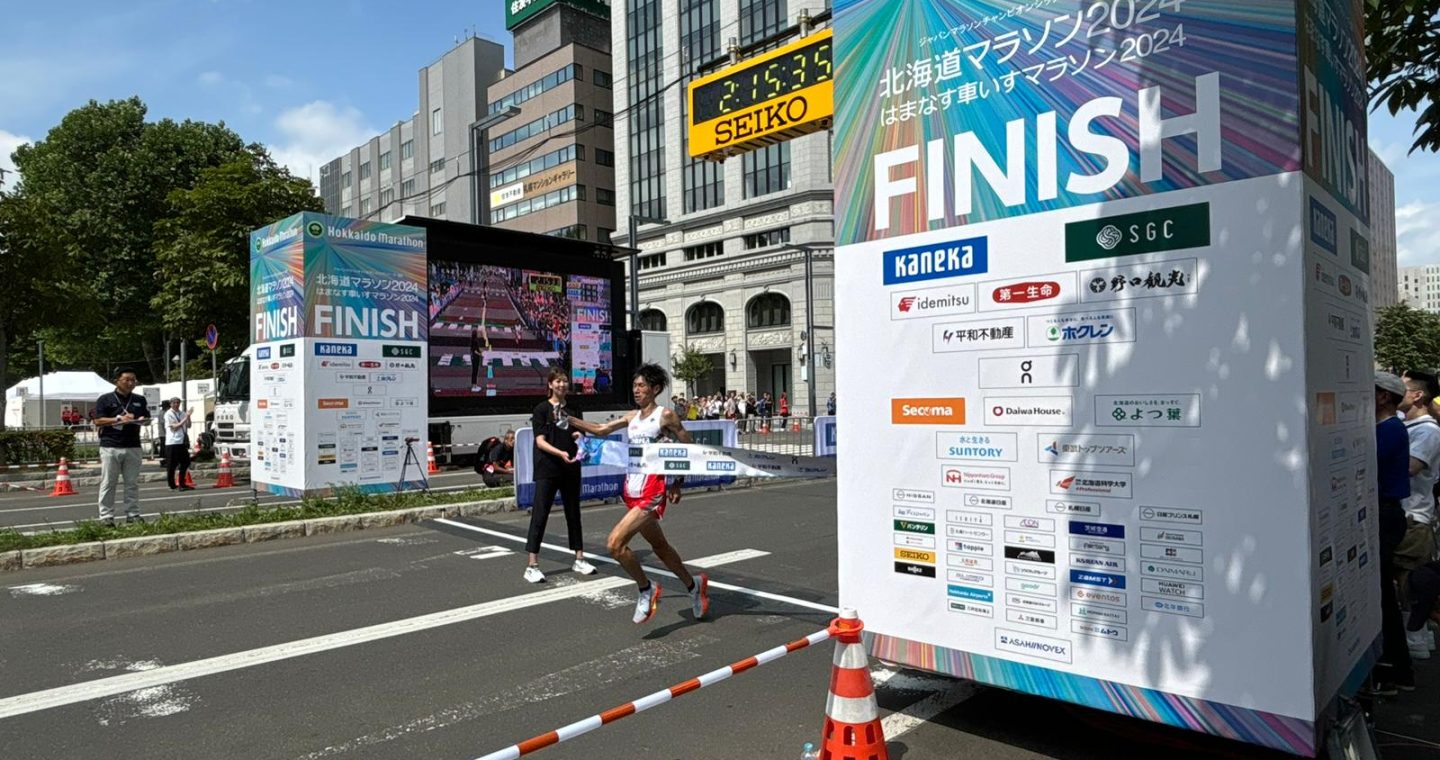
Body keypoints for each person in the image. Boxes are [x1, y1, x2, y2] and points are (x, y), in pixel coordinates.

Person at [569, 364, 709, 625]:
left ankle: (646, 588)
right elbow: (601, 430)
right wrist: (571, 420)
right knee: (661, 548)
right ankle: (694, 586)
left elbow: (689, 448)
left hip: (652, 491)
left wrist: (677, 482)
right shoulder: (632, 416)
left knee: (615, 544)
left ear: (655, 389)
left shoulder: (665, 416)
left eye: (641, 385)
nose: (636, 390)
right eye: (634, 385)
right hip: (632, 490)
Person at [524, 369, 597, 583]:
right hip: (547, 468)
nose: (562, 385)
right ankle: (532, 565)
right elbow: (540, 441)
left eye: (565, 381)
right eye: (557, 381)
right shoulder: (541, 409)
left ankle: (579, 558)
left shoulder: (574, 409)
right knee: (540, 514)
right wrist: (560, 453)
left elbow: (581, 434)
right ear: (550, 384)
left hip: (571, 467)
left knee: (573, 513)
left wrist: (579, 436)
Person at [1374, 372, 1416, 693]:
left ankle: (1396, 669)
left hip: (1384, 515)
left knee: (1382, 595)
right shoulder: (1387, 428)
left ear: (1384, 396)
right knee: (1379, 593)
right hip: (1383, 514)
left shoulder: (1389, 430)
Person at [93, 368, 150, 526]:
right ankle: (106, 516)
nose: (131, 383)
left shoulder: (139, 399)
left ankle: (133, 514)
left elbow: (146, 418)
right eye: (127, 380)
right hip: (111, 445)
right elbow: (98, 420)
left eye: (133, 380)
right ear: (117, 381)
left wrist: (142, 420)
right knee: (108, 482)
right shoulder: (105, 399)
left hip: (133, 445)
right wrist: (118, 419)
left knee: (132, 483)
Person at [164, 397, 193, 491]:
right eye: (174, 403)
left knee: (186, 462)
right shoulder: (168, 414)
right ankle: (172, 485)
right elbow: (175, 427)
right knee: (172, 465)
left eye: (178, 403)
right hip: (172, 442)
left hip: (181, 441)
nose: (176, 404)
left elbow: (188, 425)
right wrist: (186, 417)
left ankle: (182, 483)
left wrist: (188, 417)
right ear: (170, 404)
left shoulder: (182, 413)